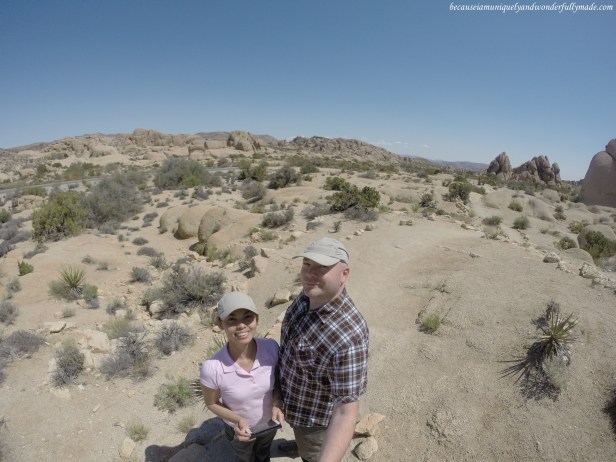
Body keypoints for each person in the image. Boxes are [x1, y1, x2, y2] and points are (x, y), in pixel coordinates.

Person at [278, 237, 369, 462]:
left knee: (314, 451)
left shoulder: (348, 335)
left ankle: (308, 452)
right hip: (294, 404)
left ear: (344, 274)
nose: (310, 274)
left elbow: (345, 411)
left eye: (322, 267)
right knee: (303, 440)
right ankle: (301, 446)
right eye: (307, 265)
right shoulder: (308, 296)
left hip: (314, 421)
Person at [200, 291, 284, 462]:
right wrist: (237, 420)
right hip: (240, 430)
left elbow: (278, 382)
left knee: (263, 452)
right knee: (244, 457)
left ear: (256, 319)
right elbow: (211, 402)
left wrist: (277, 402)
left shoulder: (271, 348)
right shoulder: (213, 368)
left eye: (248, 317)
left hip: (269, 424)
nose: (241, 325)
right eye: (232, 319)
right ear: (220, 323)